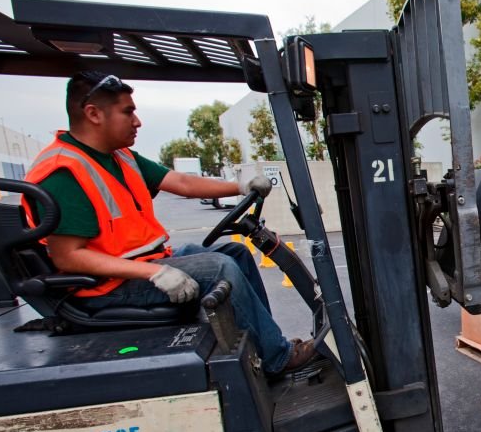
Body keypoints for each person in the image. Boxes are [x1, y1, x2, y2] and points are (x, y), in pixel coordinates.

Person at [22, 71, 318, 378]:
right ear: (93, 113)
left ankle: (262, 347)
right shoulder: (65, 172)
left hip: (138, 265)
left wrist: (239, 186)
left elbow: (181, 182)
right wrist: (154, 272)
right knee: (220, 267)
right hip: (105, 287)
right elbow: (67, 256)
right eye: (128, 112)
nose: (137, 122)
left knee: (235, 253)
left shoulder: (120, 157)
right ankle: (277, 359)